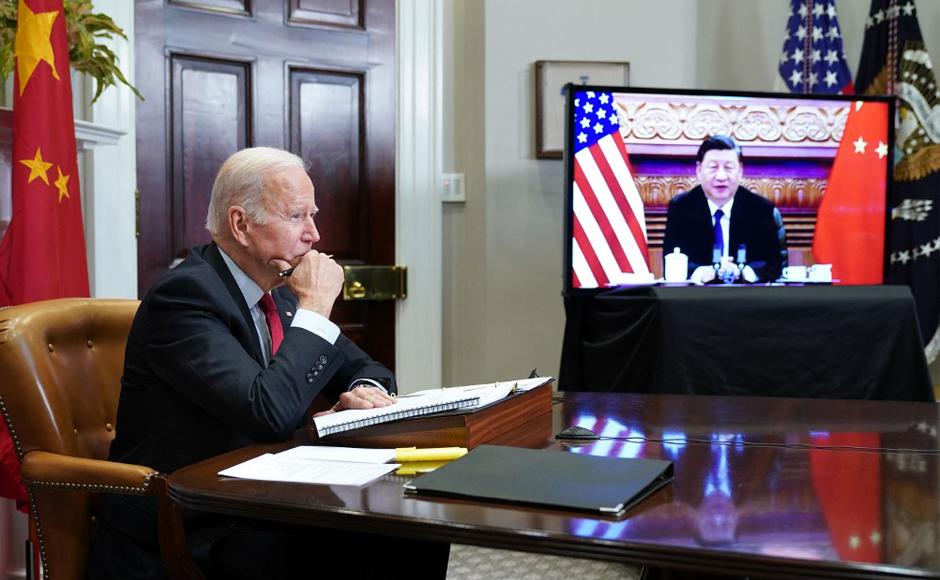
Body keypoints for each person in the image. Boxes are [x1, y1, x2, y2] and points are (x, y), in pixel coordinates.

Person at [87, 147, 449, 579]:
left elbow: (371, 370)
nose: (314, 234)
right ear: (241, 224)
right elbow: (267, 412)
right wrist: (316, 304)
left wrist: (364, 394)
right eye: (297, 216)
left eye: (313, 215)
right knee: (372, 543)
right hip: (191, 522)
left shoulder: (276, 289)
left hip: (262, 499)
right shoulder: (185, 298)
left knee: (414, 528)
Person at [662, 135, 784, 284]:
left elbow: (772, 263)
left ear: (740, 171)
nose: (721, 176)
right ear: (699, 170)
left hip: (748, 299)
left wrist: (742, 272)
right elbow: (673, 259)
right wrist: (702, 273)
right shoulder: (682, 208)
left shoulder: (759, 208)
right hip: (697, 299)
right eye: (713, 167)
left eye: (728, 168)